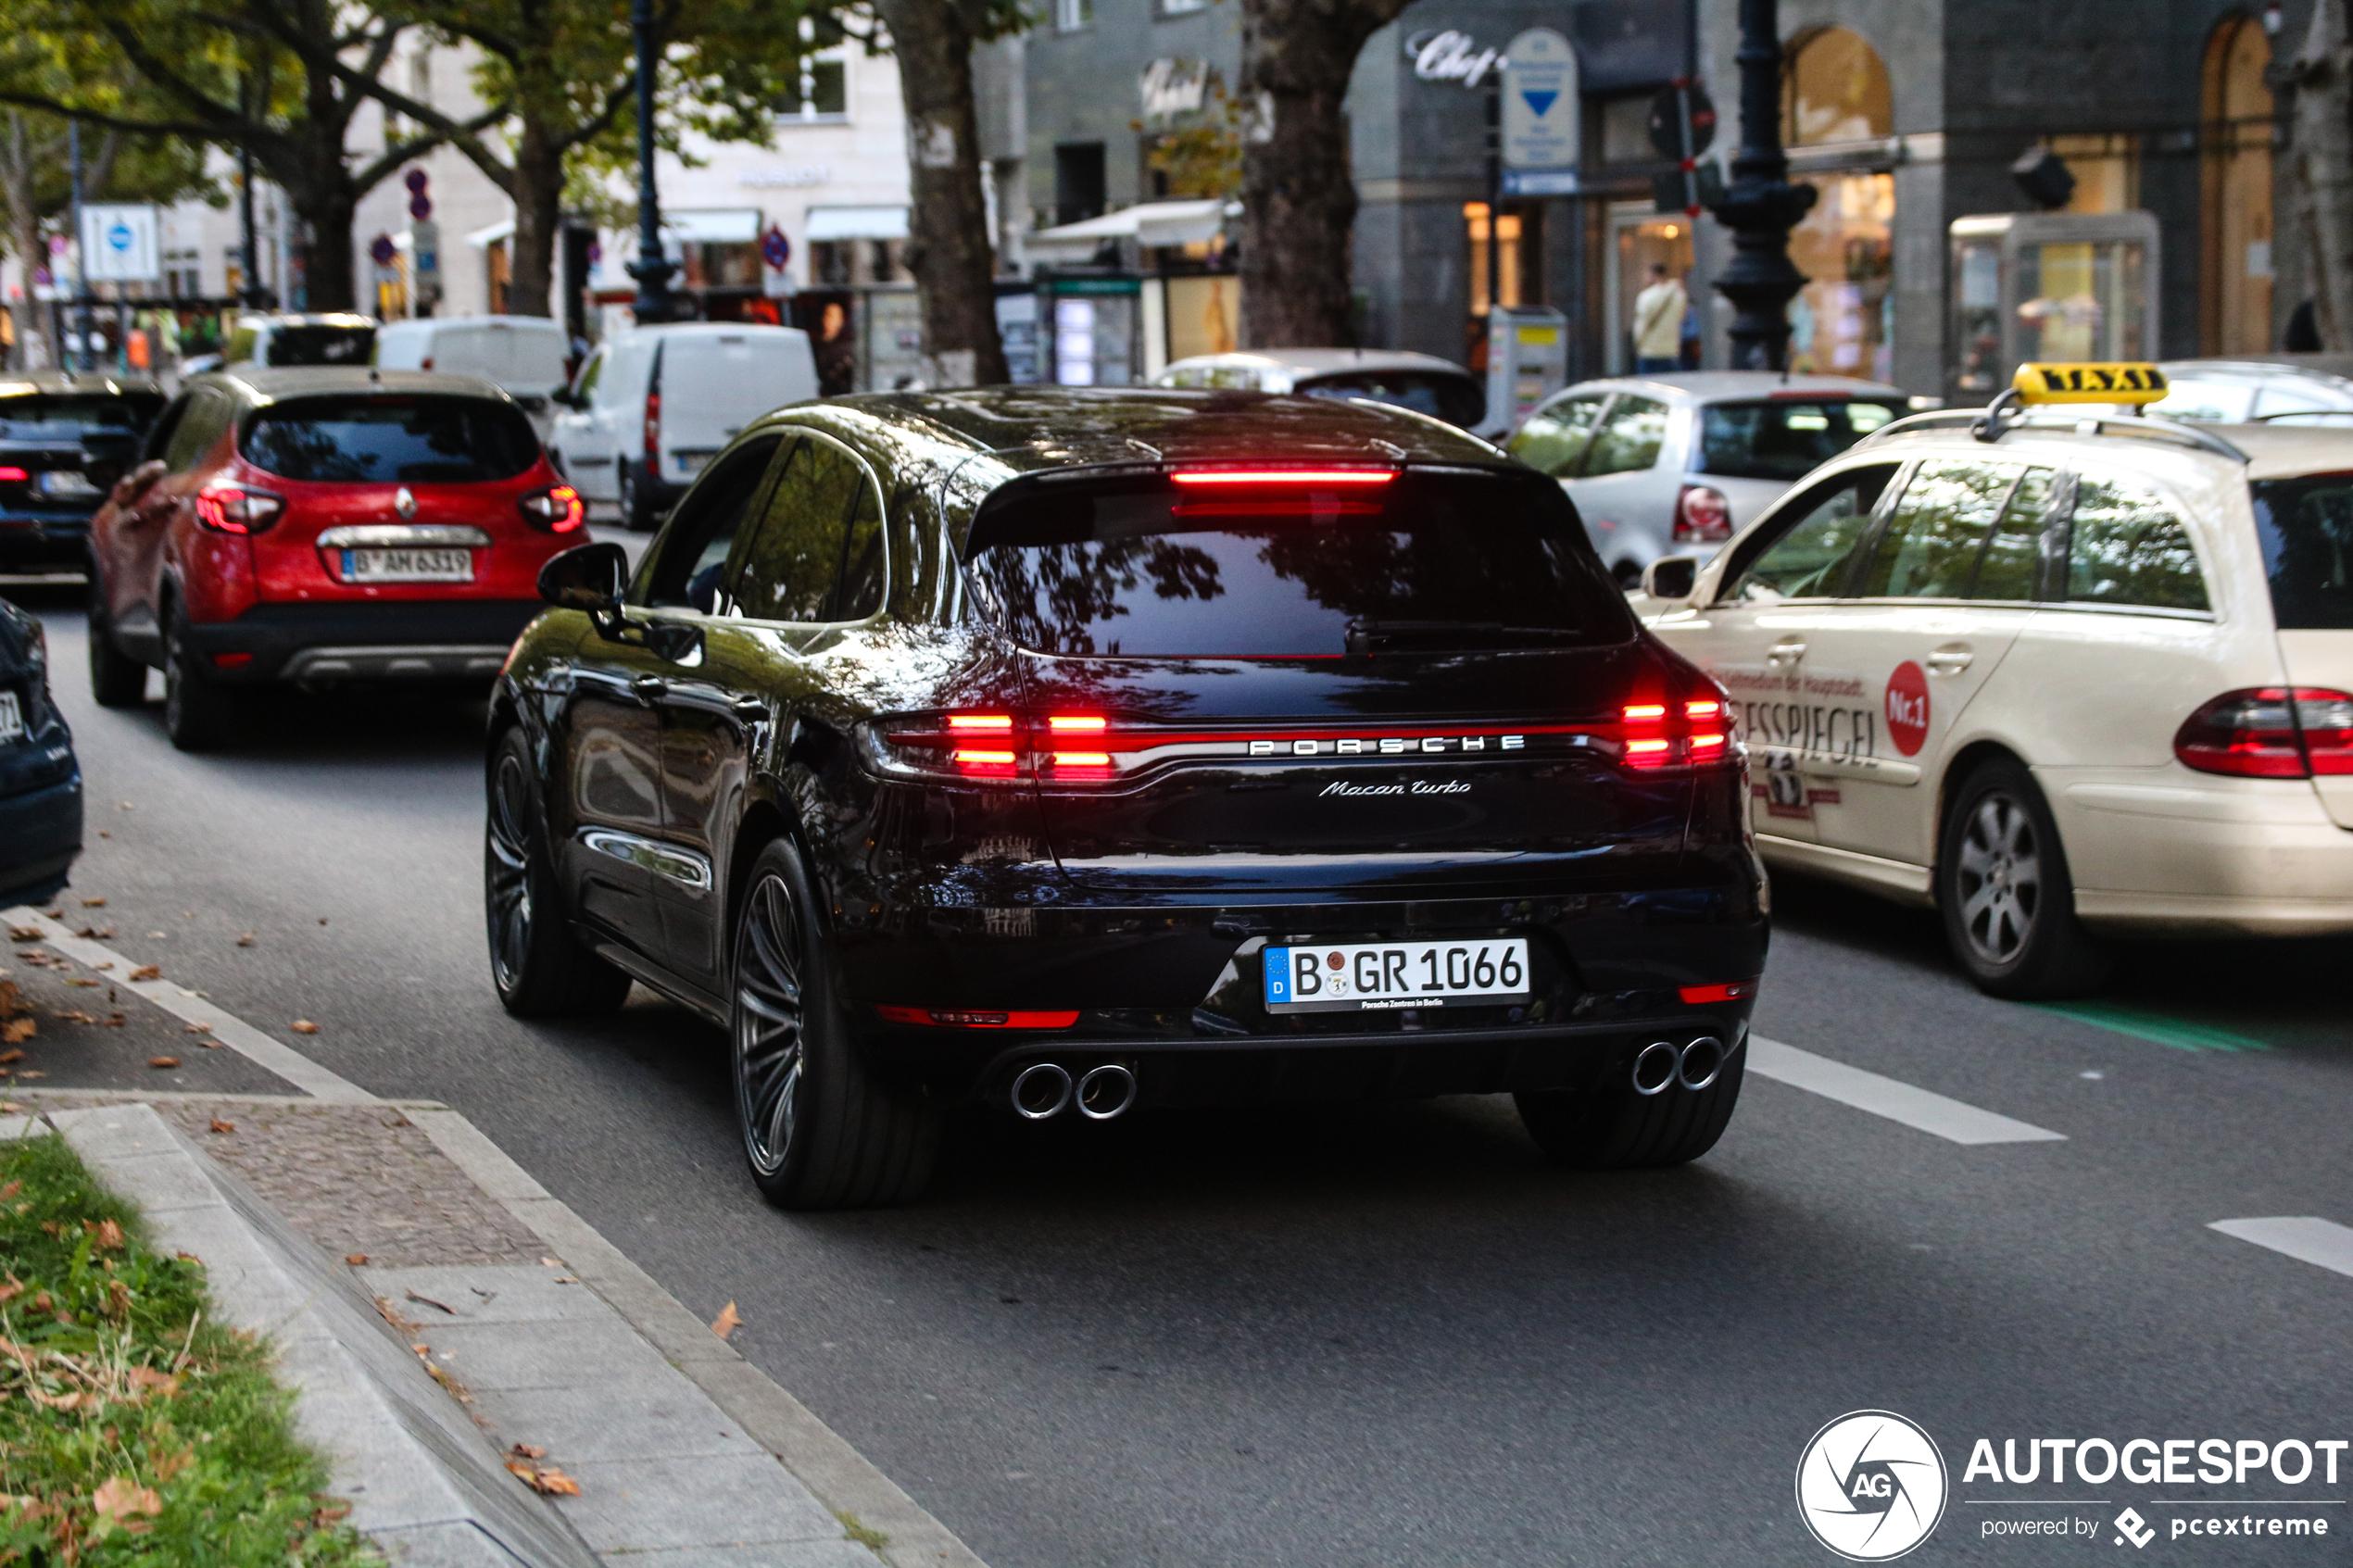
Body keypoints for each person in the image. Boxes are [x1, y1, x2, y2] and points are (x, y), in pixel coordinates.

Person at [1632, 263, 1687, 374]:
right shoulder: (1679, 295)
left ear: (1652, 275)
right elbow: (1682, 317)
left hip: (1649, 352)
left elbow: (1641, 325)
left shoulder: (1646, 296)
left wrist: (1637, 343)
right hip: (1671, 351)